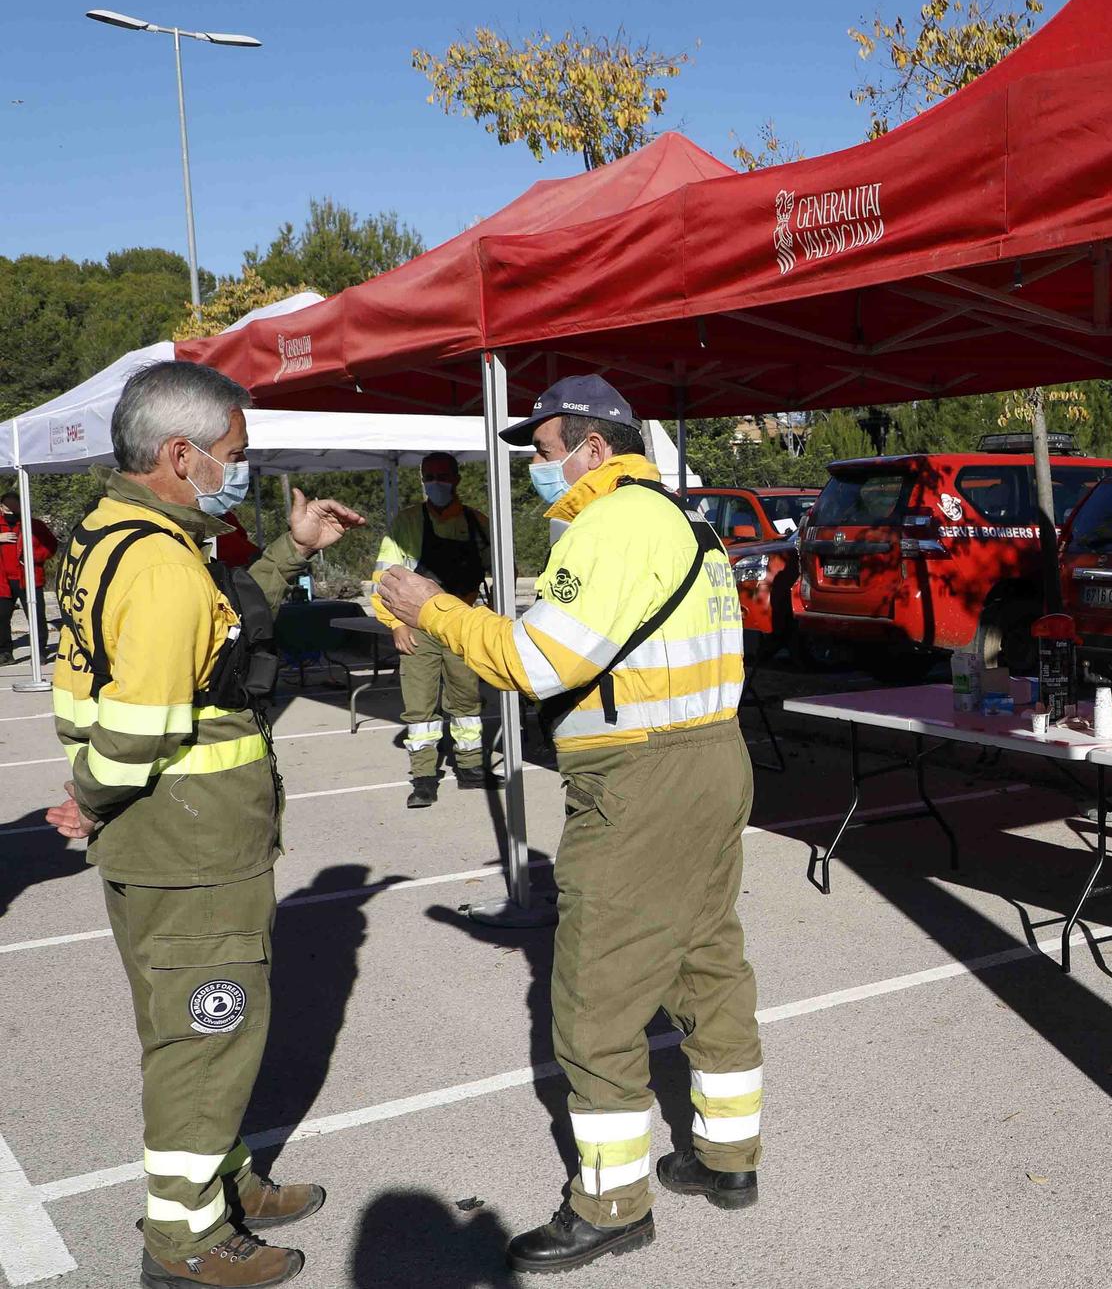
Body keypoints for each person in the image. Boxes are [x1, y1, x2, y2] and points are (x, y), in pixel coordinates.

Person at [377, 375, 761, 1276]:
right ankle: (728, 1155)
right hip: (711, 758)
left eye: (544, 451)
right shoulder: (681, 521)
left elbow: (535, 661)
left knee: (596, 997)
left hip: (642, 778)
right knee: (709, 960)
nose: (535, 468)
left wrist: (430, 607)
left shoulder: (614, 523)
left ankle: (611, 1203)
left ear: (594, 447)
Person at [43, 361, 365, 1289]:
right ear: (178, 454)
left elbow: (220, 631)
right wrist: (94, 793)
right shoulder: (158, 560)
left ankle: (221, 1181)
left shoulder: (118, 534)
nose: (242, 469)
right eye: (232, 454)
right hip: (186, 845)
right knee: (204, 1038)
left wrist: (292, 547)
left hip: (166, 839)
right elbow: (143, 722)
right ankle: (184, 1239)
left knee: (193, 1033)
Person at [369, 452, 491, 807]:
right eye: (429, 476)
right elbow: (384, 576)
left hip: (464, 623)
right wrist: (394, 624)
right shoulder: (407, 521)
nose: (436, 482)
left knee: (466, 700)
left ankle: (470, 769)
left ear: (457, 478)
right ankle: (424, 778)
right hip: (417, 626)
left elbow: (500, 563)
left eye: (443, 475)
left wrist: (496, 611)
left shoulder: (477, 522)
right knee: (420, 707)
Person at [0, 487, 59, 662]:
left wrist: (33, 555)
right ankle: (4, 652)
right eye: (7, 509)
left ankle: (39, 650)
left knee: (35, 615)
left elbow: (51, 546)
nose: (11, 512)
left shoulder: (34, 525)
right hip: (3, 581)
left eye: (15, 508)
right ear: (1, 508)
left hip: (29, 578)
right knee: (1, 618)